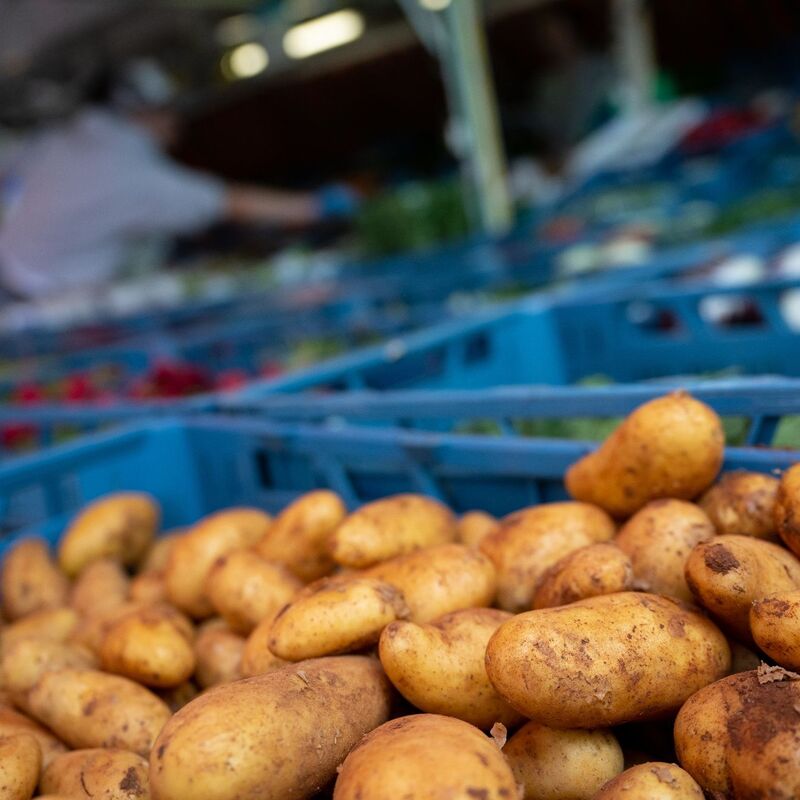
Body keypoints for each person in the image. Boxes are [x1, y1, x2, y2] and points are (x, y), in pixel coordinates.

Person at [0, 63, 356, 301]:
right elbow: (229, 202)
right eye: (167, 110)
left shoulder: (65, 136)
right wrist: (316, 206)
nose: (176, 121)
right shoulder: (127, 172)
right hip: (42, 299)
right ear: (139, 112)